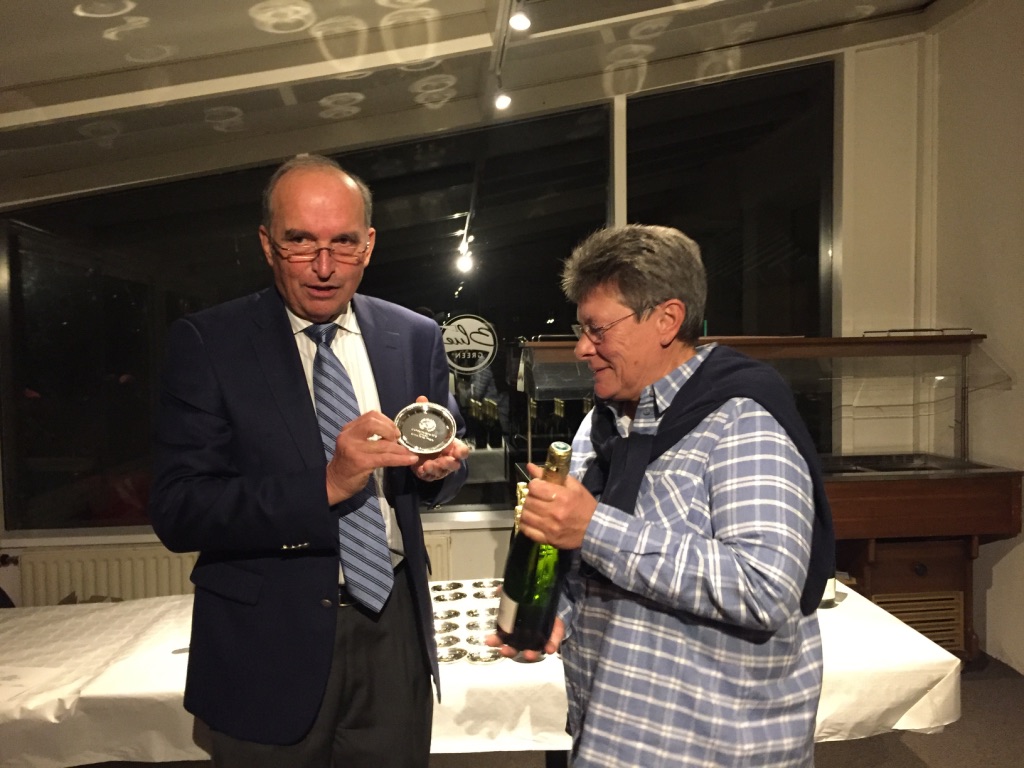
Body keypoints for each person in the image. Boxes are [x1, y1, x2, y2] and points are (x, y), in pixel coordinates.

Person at [149, 153, 469, 768]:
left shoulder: (414, 335)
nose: (324, 267)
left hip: (393, 630)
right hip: (263, 648)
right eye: (301, 242)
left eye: (343, 243)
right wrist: (326, 483)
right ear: (267, 244)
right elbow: (179, 509)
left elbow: (440, 466)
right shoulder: (209, 343)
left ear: (368, 244)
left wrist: (437, 474)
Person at [488, 224, 834, 767]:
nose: (582, 348)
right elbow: (593, 567)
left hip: (711, 750)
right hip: (608, 736)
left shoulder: (742, 420)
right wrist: (559, 613)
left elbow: (765, 588)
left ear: (667, 320)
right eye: (581, 329)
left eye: (598, 329)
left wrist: (593, 527)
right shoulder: (601, 425)